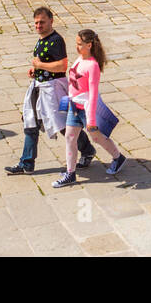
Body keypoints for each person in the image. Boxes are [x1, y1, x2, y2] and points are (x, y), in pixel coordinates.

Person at [6, 7, 95, 175]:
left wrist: (40, 66)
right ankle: (27, 163)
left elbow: (62, 65)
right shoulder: (41, 39)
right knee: (30, 123)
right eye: (36, 23)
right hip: (39, 86)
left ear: (51, 21)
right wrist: (36, 71)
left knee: (63, 125)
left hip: (53, 89)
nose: (38, 25)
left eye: (42, 22)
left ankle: (88, 150)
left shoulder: (56, 40)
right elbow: (47, 63)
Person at [53, 29, 127, 188]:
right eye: (76, 44)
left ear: (89, 45)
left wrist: (91, 120)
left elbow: (93, 94)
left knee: (97, 137)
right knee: (70, 138)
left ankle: (118, 157)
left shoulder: (92, 66)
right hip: (74, 107)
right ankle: (70, 173)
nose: (77, 47)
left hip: (85, 110)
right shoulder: (79, 59)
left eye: (80, 44)